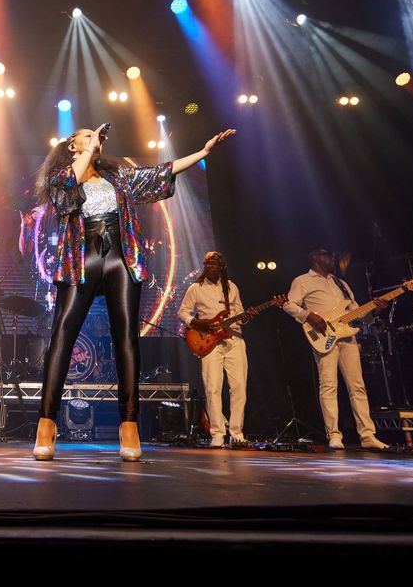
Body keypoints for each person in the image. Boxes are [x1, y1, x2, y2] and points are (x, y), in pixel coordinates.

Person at [32, 124, 236, 462]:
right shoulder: (61, 175)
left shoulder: (119, 178)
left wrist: (202, 153)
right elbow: (66, 193)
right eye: (85, 136)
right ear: (72, 146)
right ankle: (46, 423)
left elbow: (160, 173)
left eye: (95, 137)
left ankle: (129, 425)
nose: (93, 139)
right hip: (81, 260)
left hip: (120, 258)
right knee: (63, 336)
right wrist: (87, 149)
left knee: (126, 337)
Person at [283, 248, 391, 451]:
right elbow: (289, 305)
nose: (332, 258)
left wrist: (375, 310)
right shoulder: (303, 280)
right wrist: (309, 316)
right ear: (314, 257)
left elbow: (356, 313)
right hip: (324, 338)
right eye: (326, 255)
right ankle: (333, 434)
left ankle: (367, 435)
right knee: (329, 385)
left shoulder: (341, 283)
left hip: (347, 336)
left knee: (357, 386)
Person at [178, 251, 252, 447]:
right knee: (212, 388)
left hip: (234, 339)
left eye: (214, 264)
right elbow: (182, 312)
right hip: (209, 343)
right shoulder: (195, 288)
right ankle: (217, 433)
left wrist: (245, 317)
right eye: (207, 264)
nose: (210, 267)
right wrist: (197, 322)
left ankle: (236, 433)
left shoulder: (231, 287)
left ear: (221, 267)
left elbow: (239, 312)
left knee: (238, 388)